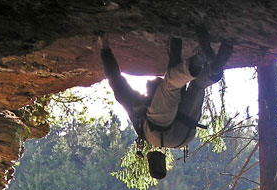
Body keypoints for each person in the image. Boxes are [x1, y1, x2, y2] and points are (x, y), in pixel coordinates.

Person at [99, 31, 233, 178]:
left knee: (196, 86)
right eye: (152, 84)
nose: (152, 81)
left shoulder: (139, 104)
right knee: (170, 83)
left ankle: (212, 71)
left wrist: (176, 36)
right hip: (158, 132)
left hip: (184, 137)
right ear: (152, 94)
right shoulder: (134, 103)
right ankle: (199, 59)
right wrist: (104, 47)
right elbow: (113, 77)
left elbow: (174, 64)